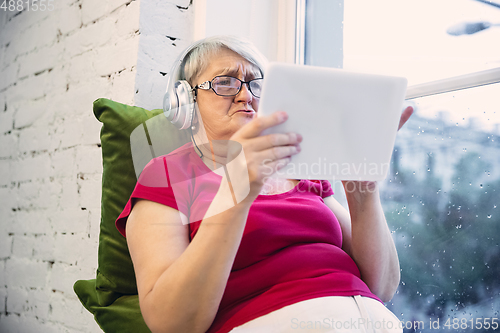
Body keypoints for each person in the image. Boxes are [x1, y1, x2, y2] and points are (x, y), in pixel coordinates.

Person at [116, 35, 414, 333]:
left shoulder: (302, 167)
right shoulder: (167, 174)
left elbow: (382, 286)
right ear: (185, 101)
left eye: (256, 84)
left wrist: (362, 190)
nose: (246, 95)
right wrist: (237, 187)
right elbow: (171, 322)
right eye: (225, 82)